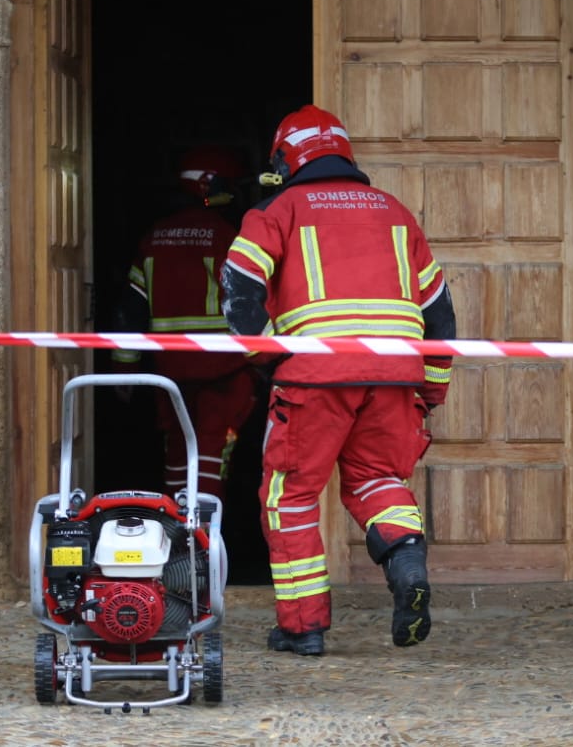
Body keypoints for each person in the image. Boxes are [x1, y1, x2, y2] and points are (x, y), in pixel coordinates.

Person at [221, 105, 457, 657]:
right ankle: (405, 560)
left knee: (291, 498)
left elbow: (238, 285)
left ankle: (303, 628)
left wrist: (267, 358)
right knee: (377, 479)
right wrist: (432, 389)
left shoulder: (277, 210)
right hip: (396, 375)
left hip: (315, 378)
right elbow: (440, 313)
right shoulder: (395, 213)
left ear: (286, 157)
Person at [110, 146, 258, 502]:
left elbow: (131, 310)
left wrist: (123, 370)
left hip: (169, 370)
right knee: (209, 457)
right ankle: (203, 544)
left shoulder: (153, 238)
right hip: (224, 370)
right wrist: (266, 362)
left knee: (177, 454)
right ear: (212, 186)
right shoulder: (229, 237)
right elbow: (249, 306)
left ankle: (177, 538)